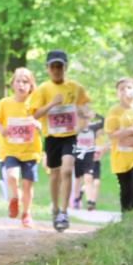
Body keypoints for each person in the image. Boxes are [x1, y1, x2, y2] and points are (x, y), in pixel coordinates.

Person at [27, 50, 91, 231]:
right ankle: (55, 208)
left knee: (67, 169)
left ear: (66, 67)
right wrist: (52, 104)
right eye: (53, 66)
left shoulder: (75, 87)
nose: (56, 70)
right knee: (54, 175)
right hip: (52, 137)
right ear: (47, 68)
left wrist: (83, 118)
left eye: (60, 66)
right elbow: (36, 114)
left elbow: (84, 108)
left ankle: (64, 211)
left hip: (69, 136)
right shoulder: (43, 89)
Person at [0, 67, 41, 228]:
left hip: (30, 150)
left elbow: (42, 120)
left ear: (31, 85)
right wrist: (2, 130)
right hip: (11, 149)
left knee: (27, 185)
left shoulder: (34, 103)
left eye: (25, 82)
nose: (21, 85)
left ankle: (26, 213)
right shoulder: (4, 103)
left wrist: (38, 124)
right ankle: (14, 198)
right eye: (18, 81)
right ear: (12, 84)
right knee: (12, 177)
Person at [105, 77, 133, 212]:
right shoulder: (114, 111)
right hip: (121, 158)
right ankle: (126, 218)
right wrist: (130, 131)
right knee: (126, 190)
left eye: (129, 87)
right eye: (122, 89)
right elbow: (111, 134)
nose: (126, 91)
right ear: (117, 94)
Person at [72, 111, 105, 210]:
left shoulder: (93, 128)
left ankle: (90, 201)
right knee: (78, 178)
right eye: (83, 119)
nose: (85, 121)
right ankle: (77, 198)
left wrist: (96, 114)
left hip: (89, 156)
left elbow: (105, 122)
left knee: (88, 178)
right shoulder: (77, 129)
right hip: (78, 156)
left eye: (87, 119)